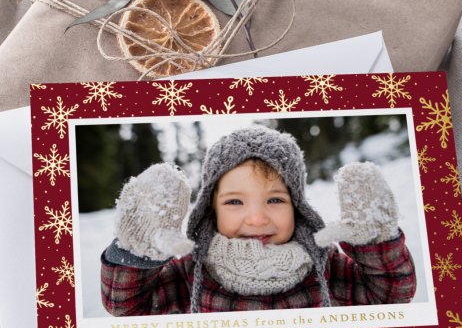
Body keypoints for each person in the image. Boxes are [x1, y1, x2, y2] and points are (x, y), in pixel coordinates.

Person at [101, 125, 416, 315]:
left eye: (275, 200)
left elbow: (391, 296)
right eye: (235, 201)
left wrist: (377, 243)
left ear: (298, 208)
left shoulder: (325, 264)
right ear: (211, 210)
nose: (256, 217)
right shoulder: (191, 271)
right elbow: (127, 308)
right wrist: (137, 251)